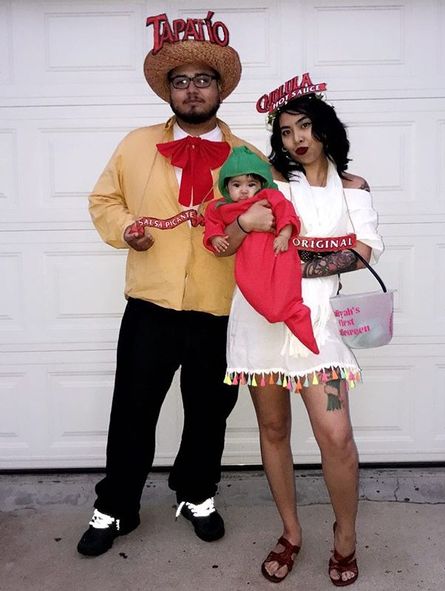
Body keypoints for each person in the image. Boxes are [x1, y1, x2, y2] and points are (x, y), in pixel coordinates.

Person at [76, 12, 274, 557]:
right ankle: (116, 506)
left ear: (219, 89)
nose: (191, 90)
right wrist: (125, 231)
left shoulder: (251, 157)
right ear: (169, 90)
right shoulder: (136, 145)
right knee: (133, 409)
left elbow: (279, 212)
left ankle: (197, 493)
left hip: (221, 306)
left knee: (210, 412)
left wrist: (345, 182)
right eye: (180, 81)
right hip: (150, 304)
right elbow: (104, 201)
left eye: (202, 80)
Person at [220, 74, 384, 585]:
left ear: (325, 129)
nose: (298, 138)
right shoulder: (269, 186)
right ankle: (291, 532)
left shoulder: (353, 188)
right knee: (273, 429)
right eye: (287, 131)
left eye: (306, 126)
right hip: (261, 320)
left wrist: (292, 258)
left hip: (317, 324)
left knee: (336, 436)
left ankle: (346, 537)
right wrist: (245, 226)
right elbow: (226, 233)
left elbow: (363, 251)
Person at [204, 145, 318, 355]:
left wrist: (284, 234)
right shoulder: (219, 207)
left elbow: (287, 211)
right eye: (236, 185)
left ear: (261, 184)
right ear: (226, 186)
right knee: (252, 287)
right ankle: (278, 313)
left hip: (277, 251)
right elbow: (212, 223)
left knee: (285, 285)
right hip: (249, 261)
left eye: (251, 184)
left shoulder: (268, 197)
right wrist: (216, 236)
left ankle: (295, 313)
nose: (244, 190)